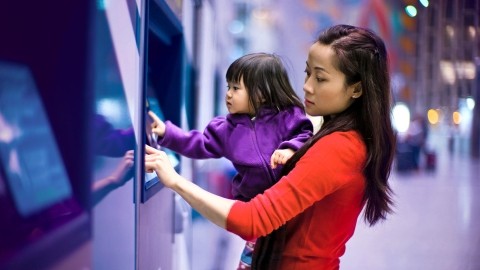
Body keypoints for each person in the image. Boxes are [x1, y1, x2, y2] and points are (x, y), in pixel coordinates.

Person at [145, 24, 396, 269]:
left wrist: (175, 181)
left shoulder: (339, 147)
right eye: (308, 73)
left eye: (320, 78)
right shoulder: (345, 139)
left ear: (356, 89)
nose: (307, 86)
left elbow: (251, 220)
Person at [147, 52, 313, 268]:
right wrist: (167, 133)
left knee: (287, 258)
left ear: (261, 93)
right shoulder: (226, 129)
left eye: (236, 88)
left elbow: (305, 136)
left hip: (289, 208)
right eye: (228, 87)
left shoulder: (288, 117)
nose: (228, 94)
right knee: (252, 261)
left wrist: (291, 149)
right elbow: (199, 143)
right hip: (256, 212)